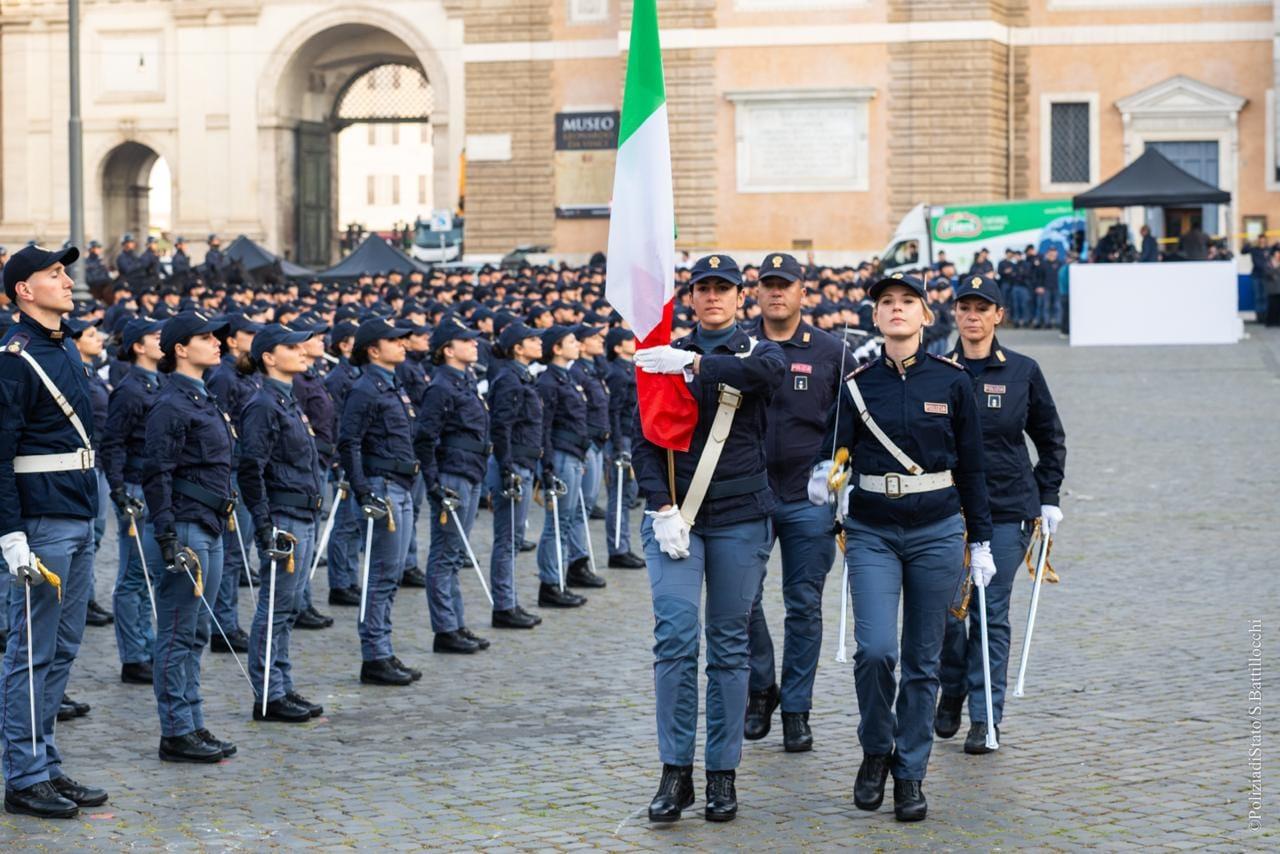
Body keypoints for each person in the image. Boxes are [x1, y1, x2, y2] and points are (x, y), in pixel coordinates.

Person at [807, 272, 994, 822]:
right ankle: (874, 749)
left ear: (925, 316)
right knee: (875, 651)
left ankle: (910, 773)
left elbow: (974, 467)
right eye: (886, 302)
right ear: (875, 317)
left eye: (906, 302)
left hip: (937, 529)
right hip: (872, 531)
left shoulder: (952, 381)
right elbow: (833, 450)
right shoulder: (858, 384)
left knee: (922, 662)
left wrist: (979, 539)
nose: (896, 310)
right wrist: (825, 473)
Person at [632, 253, 786, 823]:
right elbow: (643, 439)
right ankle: (676, 772)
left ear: (740, 298)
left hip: (742, 516)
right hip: (678, 518)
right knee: (673, 638)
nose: (714, 297)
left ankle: (723, 774)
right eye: (704, 289)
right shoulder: (658, 356)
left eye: (724, 288)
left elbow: (767, 379)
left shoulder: (756, 351)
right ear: (690, 298)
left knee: (728, 645)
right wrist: (660, 505)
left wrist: (693, 364)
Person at [0, 244, 110, 818]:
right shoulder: (13, 358)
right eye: (54, 273)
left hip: (76, 512)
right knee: (30, 652)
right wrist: (10, 535)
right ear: (24, 289)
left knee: (63, 649)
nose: (67, 281)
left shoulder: (64, 347)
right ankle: (23, 774)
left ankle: (45, 761)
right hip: (40, 522)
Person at [936, 276, 1066, 752]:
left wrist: (1048, 495)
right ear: (955, 314)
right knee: (948, 614)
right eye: (964, 307)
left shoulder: (1023, 371)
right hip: (946, 508)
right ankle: (951, 686)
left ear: (998, 316)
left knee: (990, 614)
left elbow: (1050, 437)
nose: (972, 315)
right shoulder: (936, 368)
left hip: (1007, 506)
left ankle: (984, 716)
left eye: (981, 308)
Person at [743, 253, 851, 752]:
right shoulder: (742, 347)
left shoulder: (830, 349)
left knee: (803, 604)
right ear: (756, 293)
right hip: (748, 492)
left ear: (802, 292)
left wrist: (838, 468)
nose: (776, 292)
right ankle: (762, 686)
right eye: (767, 284)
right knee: (741, 599)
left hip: (808, 496)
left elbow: (849, 420)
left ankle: (797, 708)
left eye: (784, 284)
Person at [142, 310, 238, 764]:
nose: (217, 343)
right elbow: (157, 473)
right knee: (179, 631)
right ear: (180, 348)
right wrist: (165, 535)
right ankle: (176, 730)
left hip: (210, 522)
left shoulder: (203, 396)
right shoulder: (171, 404)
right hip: (185, 524)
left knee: (197, 630)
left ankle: (193, 722)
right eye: (205, 337)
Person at [238, 323, 327, 723]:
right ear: (269, 357)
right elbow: (251, 468)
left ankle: (283, 684)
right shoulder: (263, 405)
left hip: (303, 513)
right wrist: (263, 524)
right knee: (274, 609)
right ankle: (269, 694)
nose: (303, 350)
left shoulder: (288, 400)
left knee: (288, 609)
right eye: (292, 346)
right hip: (283, 517)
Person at [338, 318, 420, 686]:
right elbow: (349, 442)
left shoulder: (390, 385)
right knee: (381, 575)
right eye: (393, 340)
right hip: (381, 485)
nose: (402, 344)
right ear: (373, 349)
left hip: (400, 483)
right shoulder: (366, 389)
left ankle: (383, 649)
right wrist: (362, 490)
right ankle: (375, 654)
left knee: (391, 574)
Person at [414, 322, 492, 654]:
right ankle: (445, 628)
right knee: (445, 554)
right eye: (465, 340)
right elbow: (424, 437)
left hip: (471, 471)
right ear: (448, 349)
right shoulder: (441, 387)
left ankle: (456, 623)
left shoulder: (465, 381)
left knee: (456, 553)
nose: (474, 345)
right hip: (453, 473)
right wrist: (433, 481)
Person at [102, 317, 166, 686]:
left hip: (155, 487)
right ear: (138, 346)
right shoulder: (129, 389)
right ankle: (135, 655)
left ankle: (149, 646)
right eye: (155, 337)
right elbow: (113, 442)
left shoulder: (159, 382)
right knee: (133, 575)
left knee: (151, 573)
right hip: (136, 488)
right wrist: (119, 490)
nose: (163, 342)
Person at [206, 314, 262, 654]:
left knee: (237, 554)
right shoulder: (224, 376)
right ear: (232, 339)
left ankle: (227, 622)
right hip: (233, 470)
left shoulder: (243, 372)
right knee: (230, 554)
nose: (255, 337)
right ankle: (222, 626)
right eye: (249, 332)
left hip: (246, 468)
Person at [484, 323, 544, 629]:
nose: (539, 342)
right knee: (507, 539)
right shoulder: (509, 379)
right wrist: (506, 468)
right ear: (517, 348)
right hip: (514, 465)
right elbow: (501, 426)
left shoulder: (521, 375)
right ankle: (504, 606)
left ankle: (510, 601)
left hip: (524, 462)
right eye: (532, 339)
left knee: (514, 538)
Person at [534, 326, 595, 607]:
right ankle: (550, 583)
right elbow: (544, 427)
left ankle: (560, 578)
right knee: (557, 524)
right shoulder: (548, 382)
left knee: (566, 521)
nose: (576, 344)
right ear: (556, 349)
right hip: (560, 455)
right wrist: (547, 466)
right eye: (571, 341)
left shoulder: (568, 377)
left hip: (574, 454)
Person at [68, 317, 116, 630]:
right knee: (87, 535)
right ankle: (80, 600)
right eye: (90, 334)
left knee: (95, 536)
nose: (98, 338)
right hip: (85, 462)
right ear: (74, 342)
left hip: (99, 461)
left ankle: (86, 598)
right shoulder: (75, 375)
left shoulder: (93, 374)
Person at [323, 321, 364, 607]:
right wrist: (338, 460)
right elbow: (335, 420)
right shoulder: (338, 378)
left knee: (353, 526)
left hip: (356, 457)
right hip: (344, 458)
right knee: (345, 525)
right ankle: (340, 583)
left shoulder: (355, 372)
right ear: (344, 344)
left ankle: (349, 579)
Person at [603, 327, 643, 568]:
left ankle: (624, 545)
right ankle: (618, 548)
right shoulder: (617, 373)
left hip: (633, 436)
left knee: (628, 494)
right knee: (619, 495)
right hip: (623, 439)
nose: (633, 341)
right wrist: (618, 445)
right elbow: (614, 411)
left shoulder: (629, 368)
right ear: (617, 347)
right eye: (628, 339)